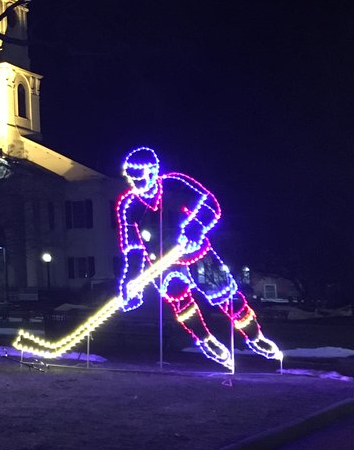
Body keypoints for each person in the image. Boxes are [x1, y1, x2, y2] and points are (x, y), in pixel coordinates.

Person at [116, 146, 281, 367]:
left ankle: (255, 337)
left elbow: (211, 204)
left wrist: (195, 227)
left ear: (153, 171)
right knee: (179, 301)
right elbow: (133, 248)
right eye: (132, 179)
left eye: (141, 179)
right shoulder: (130, 206)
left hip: (197, 253)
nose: (136, 184)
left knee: (225, 296)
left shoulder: (175, 183)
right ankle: (206, 341)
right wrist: (132, 281)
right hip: (161, 263)